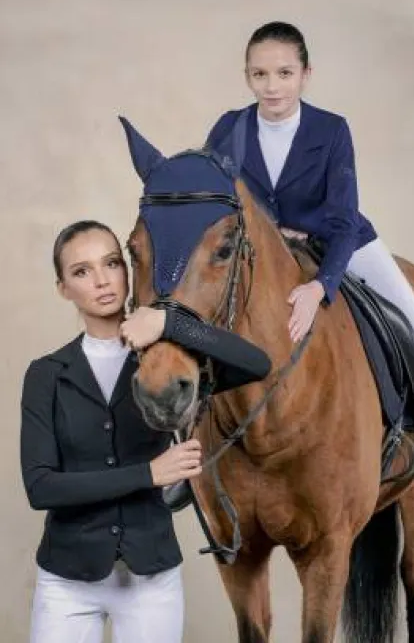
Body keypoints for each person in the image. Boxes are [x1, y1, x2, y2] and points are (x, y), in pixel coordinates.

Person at [204, 20, 414, 526]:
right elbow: (214, 202)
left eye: (284, 73)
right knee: (201, 321)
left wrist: (320, 286)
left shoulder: (331, 130)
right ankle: (190, 463)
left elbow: (343, 216)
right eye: (260, 74)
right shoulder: (229, 128)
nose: (272, 86)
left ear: (305, 74)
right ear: (247, 76)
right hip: (265, 255)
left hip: (342, 243)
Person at [21, 220, 271, 643]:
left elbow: (258, 364)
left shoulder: (168, 366)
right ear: (63, 288)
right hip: (66, 582)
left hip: (151, 583)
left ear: (128, 270)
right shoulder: (46, 374)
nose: (102, 280)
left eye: (111, 263)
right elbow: (41, 487)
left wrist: (169, 325)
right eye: (81, 271)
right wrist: (149, 474)